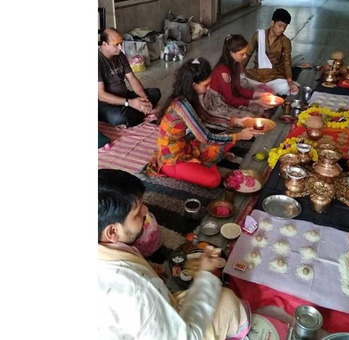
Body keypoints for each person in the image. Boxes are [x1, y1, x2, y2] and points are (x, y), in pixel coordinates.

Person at [98, 169, 250, 339]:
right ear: (112, 232)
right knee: (226, 300)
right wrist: (207, 275)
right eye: (137, 211)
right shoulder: (138, 291)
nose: (146, 210)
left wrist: (148, 269)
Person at [146, 57, 258, 188]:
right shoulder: (181, 105)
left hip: (186, 145)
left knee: (226, 140)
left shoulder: (190, 97)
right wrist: (239, 136)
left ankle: (208, 161)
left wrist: (238, 122)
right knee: (214, 180)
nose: (209, 87)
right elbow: (206, 137)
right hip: (171, 160)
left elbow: (207, 117)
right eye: (206, 84)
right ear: (194, 85)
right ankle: (206, 163)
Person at [200, 34, 273, 131]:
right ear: (231, 53)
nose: (245, 56)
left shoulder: (236, 64)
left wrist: (261, 94)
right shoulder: (223, 72)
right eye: (242, 54)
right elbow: (230, 99)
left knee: (260, 109)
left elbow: (238, 89)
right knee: (251, 118)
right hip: (217, 104)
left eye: (245, 53)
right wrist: (256, 101)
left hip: (230, 96)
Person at [98, 27, 162, 127]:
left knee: (155, 93)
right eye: (116, 45)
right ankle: (136, 112)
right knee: (121, 117)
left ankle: (139, 111)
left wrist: (145, 100)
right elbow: (101, 95)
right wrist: (130, 103)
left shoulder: (120, 56)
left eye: (121, 43)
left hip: (125, 97)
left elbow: (132, 79)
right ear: (105, 44)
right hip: (106, 104)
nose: (120, 47)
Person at [242, 8, 299, 96]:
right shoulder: (259, 35)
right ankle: (263, 89)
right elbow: (247, 54)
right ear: (272, 23)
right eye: (280, 25)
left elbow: (287, 62)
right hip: (257, 73)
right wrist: (239, 71)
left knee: (287, 87)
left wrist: (290, 81)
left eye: (285, 27)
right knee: (240, 79)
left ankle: (261, 90)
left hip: (275, 76)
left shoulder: (285, 41)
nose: (282, 29)